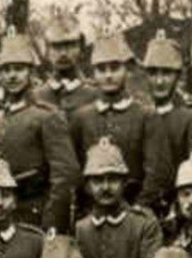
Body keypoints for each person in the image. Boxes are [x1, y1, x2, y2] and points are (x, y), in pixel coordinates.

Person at [0, 32, 82, 231]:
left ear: (30, 73)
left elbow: (65, 175)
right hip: (4, 216)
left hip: (37, 215)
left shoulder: (47, 116)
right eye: (6, 70)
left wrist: (52, 223)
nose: (12, 75)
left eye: (19, 69)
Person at [70, 34, 165, 209]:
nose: (108, 75)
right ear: (93, 73)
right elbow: (75, 170)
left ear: (126, 70)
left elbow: (156, 172)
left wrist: (138, 211)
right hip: (92, 213)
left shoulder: (146, 116)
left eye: (114, 68)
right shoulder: (81, 118)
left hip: (136, 210)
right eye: (101, 69)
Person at [73, 138, 166, 258]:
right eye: (98, 181)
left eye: (113, 179)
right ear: (87, 186)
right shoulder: (81, 228)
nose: (106, 187)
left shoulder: (143, 223)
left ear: (124, 183)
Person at [139, 34, 192, 216]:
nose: (159, 81)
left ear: (178, 76)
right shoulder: (141, 115)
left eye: (166, 73)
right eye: (153, 73)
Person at [33, 17, 99, 117]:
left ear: (81, 48)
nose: (63, 53)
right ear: (47, 50)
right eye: (56, 46)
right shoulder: (36, 97)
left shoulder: (96, 94)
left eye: (70, 45)